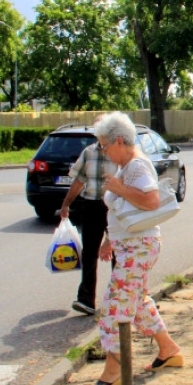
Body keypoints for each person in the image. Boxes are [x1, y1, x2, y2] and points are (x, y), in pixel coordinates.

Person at [88, 112, 183, 385]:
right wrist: (109, 238)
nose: (104, 151)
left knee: (113, 306)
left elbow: (151, 201)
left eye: (105, 146)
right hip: (131, 246)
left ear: (119, 140)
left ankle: (115, 369)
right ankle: (168, 349)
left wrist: (119, 188)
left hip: (138, 247)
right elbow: (122, 210)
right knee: (136, 302)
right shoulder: (127, 166)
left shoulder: (136, 166)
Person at [60, 128, 116, 317]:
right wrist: (66, 204)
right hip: (92, 205)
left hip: (116, 206)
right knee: (89, 253)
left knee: (118, 252)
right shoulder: (89, 153)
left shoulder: (118, 152)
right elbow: (79, 180)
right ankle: (86, 300)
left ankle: (118, 299)